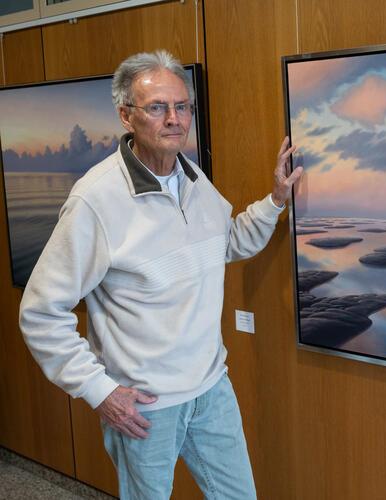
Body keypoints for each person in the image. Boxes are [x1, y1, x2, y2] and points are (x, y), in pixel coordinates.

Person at [18, 49, 303, 499]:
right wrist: (100, 391)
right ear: (126, 116)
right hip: (145, 407)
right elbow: (40, 312)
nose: (174, 118)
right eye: (157, 107)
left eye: (181, 106)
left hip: (211, 390)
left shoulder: (193, 179)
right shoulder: (95, 200)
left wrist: (275, 201)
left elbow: (226, 243)